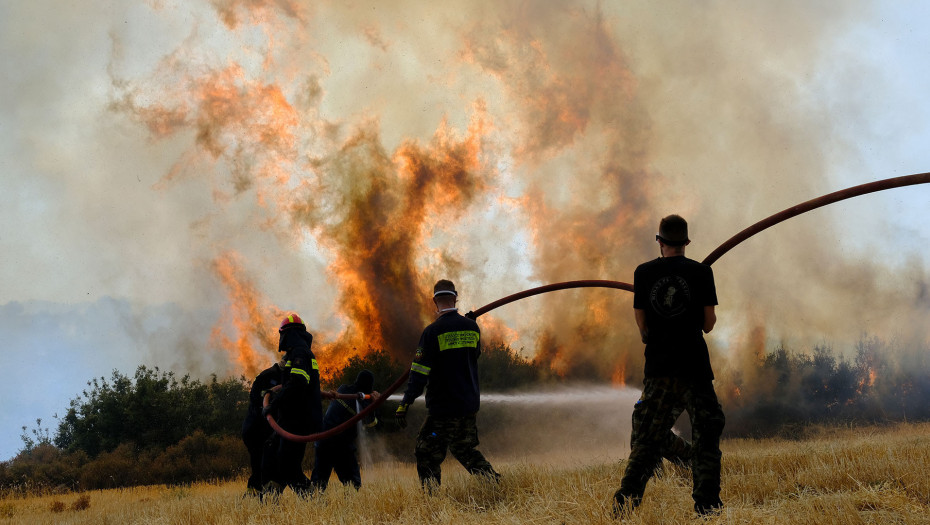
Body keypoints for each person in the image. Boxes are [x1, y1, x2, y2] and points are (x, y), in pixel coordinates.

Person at [614, 215, 726, 517]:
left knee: (647, 439)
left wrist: (652, 332)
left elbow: (642, 324)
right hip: (695, 368)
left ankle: (625, 505)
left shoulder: (644, 273)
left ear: (659, 241)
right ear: (687, 243)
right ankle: (707, 507)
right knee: (706, 435)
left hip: (660, 368)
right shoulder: (703, 272)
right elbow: (708, 324)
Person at [395, 279, 500, 490]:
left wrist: (405, 402)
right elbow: (473, 356)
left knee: (426, 452)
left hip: (443, 410)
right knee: (465, 449)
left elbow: (419, 374)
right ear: (455, 298)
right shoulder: (472, 327)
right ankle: (494, 484)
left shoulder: (432, 332)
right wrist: (467, 324)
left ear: (434, 302)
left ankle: (432, 500)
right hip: (469, 406)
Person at [261, 313, 324, 499]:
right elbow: (292, 383)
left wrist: (273, 405)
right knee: (272, 452)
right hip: (290, 418)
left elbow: (297, 383)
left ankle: (313, 500)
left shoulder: (300, 353)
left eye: (283, 334)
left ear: (290, 334)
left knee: (287, 464)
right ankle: (270, 500)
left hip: (298, 420)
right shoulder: (296, 353)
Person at [310, 370, 380, 491]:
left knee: (318, 483)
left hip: (323, 441)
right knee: (353, 485)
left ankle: (314, 505)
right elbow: (371, 423)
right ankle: (350, 507)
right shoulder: (363, 403)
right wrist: (375, 404)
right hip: (341, 446)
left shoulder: (343, 389)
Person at [241, 357, 285, 497]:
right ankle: (257, 498)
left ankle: (257, 498)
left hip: (267, 430)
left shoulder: (286, 377)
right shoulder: (267, 376)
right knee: (261, 466)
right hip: (256, 430)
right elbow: (255, 400)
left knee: (265, 467)